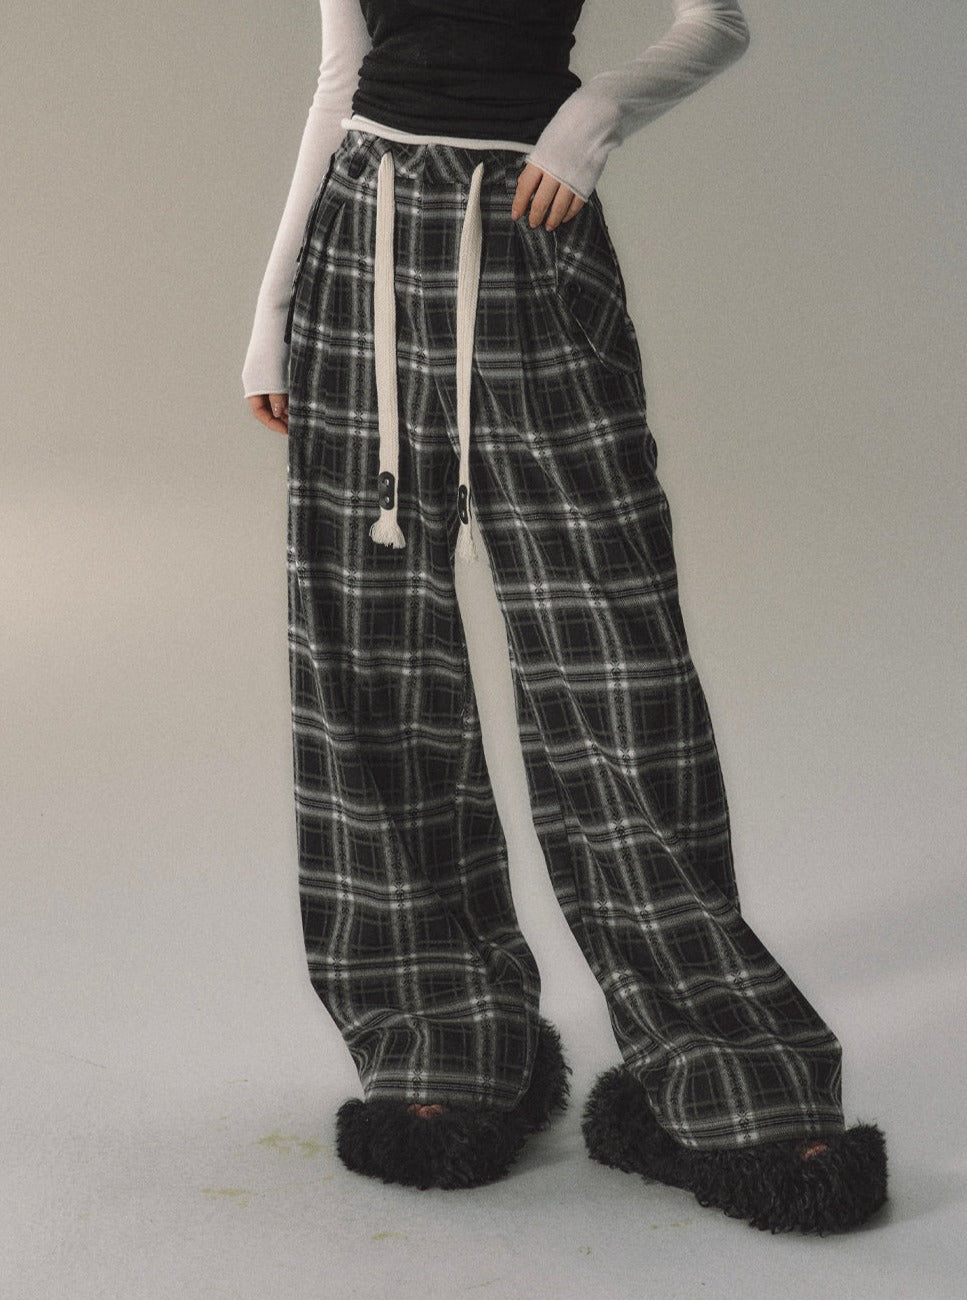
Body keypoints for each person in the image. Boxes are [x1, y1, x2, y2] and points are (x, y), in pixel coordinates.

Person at [242, 0, 888, 1233]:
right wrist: (272, 313)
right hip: (358, 249)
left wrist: (593, 117)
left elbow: (716, 21)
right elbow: (341, 78)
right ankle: (441, 1028)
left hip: (533, 234)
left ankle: (717, 1056)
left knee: (614, 654)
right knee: (367, 655)